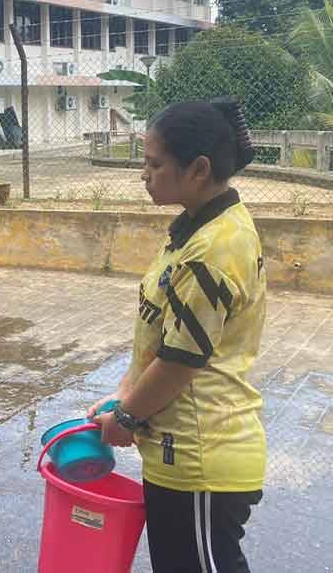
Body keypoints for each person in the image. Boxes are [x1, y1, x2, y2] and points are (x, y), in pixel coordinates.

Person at [88, 98, 265, 573]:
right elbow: (159, 333)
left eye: (154, 163)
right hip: (176, 452)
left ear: (199, 169)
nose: (143, 174)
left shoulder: (214, 248)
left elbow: (180, 361)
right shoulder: (192, 229)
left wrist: (126, 418)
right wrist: (124, 395)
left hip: (202, 457)